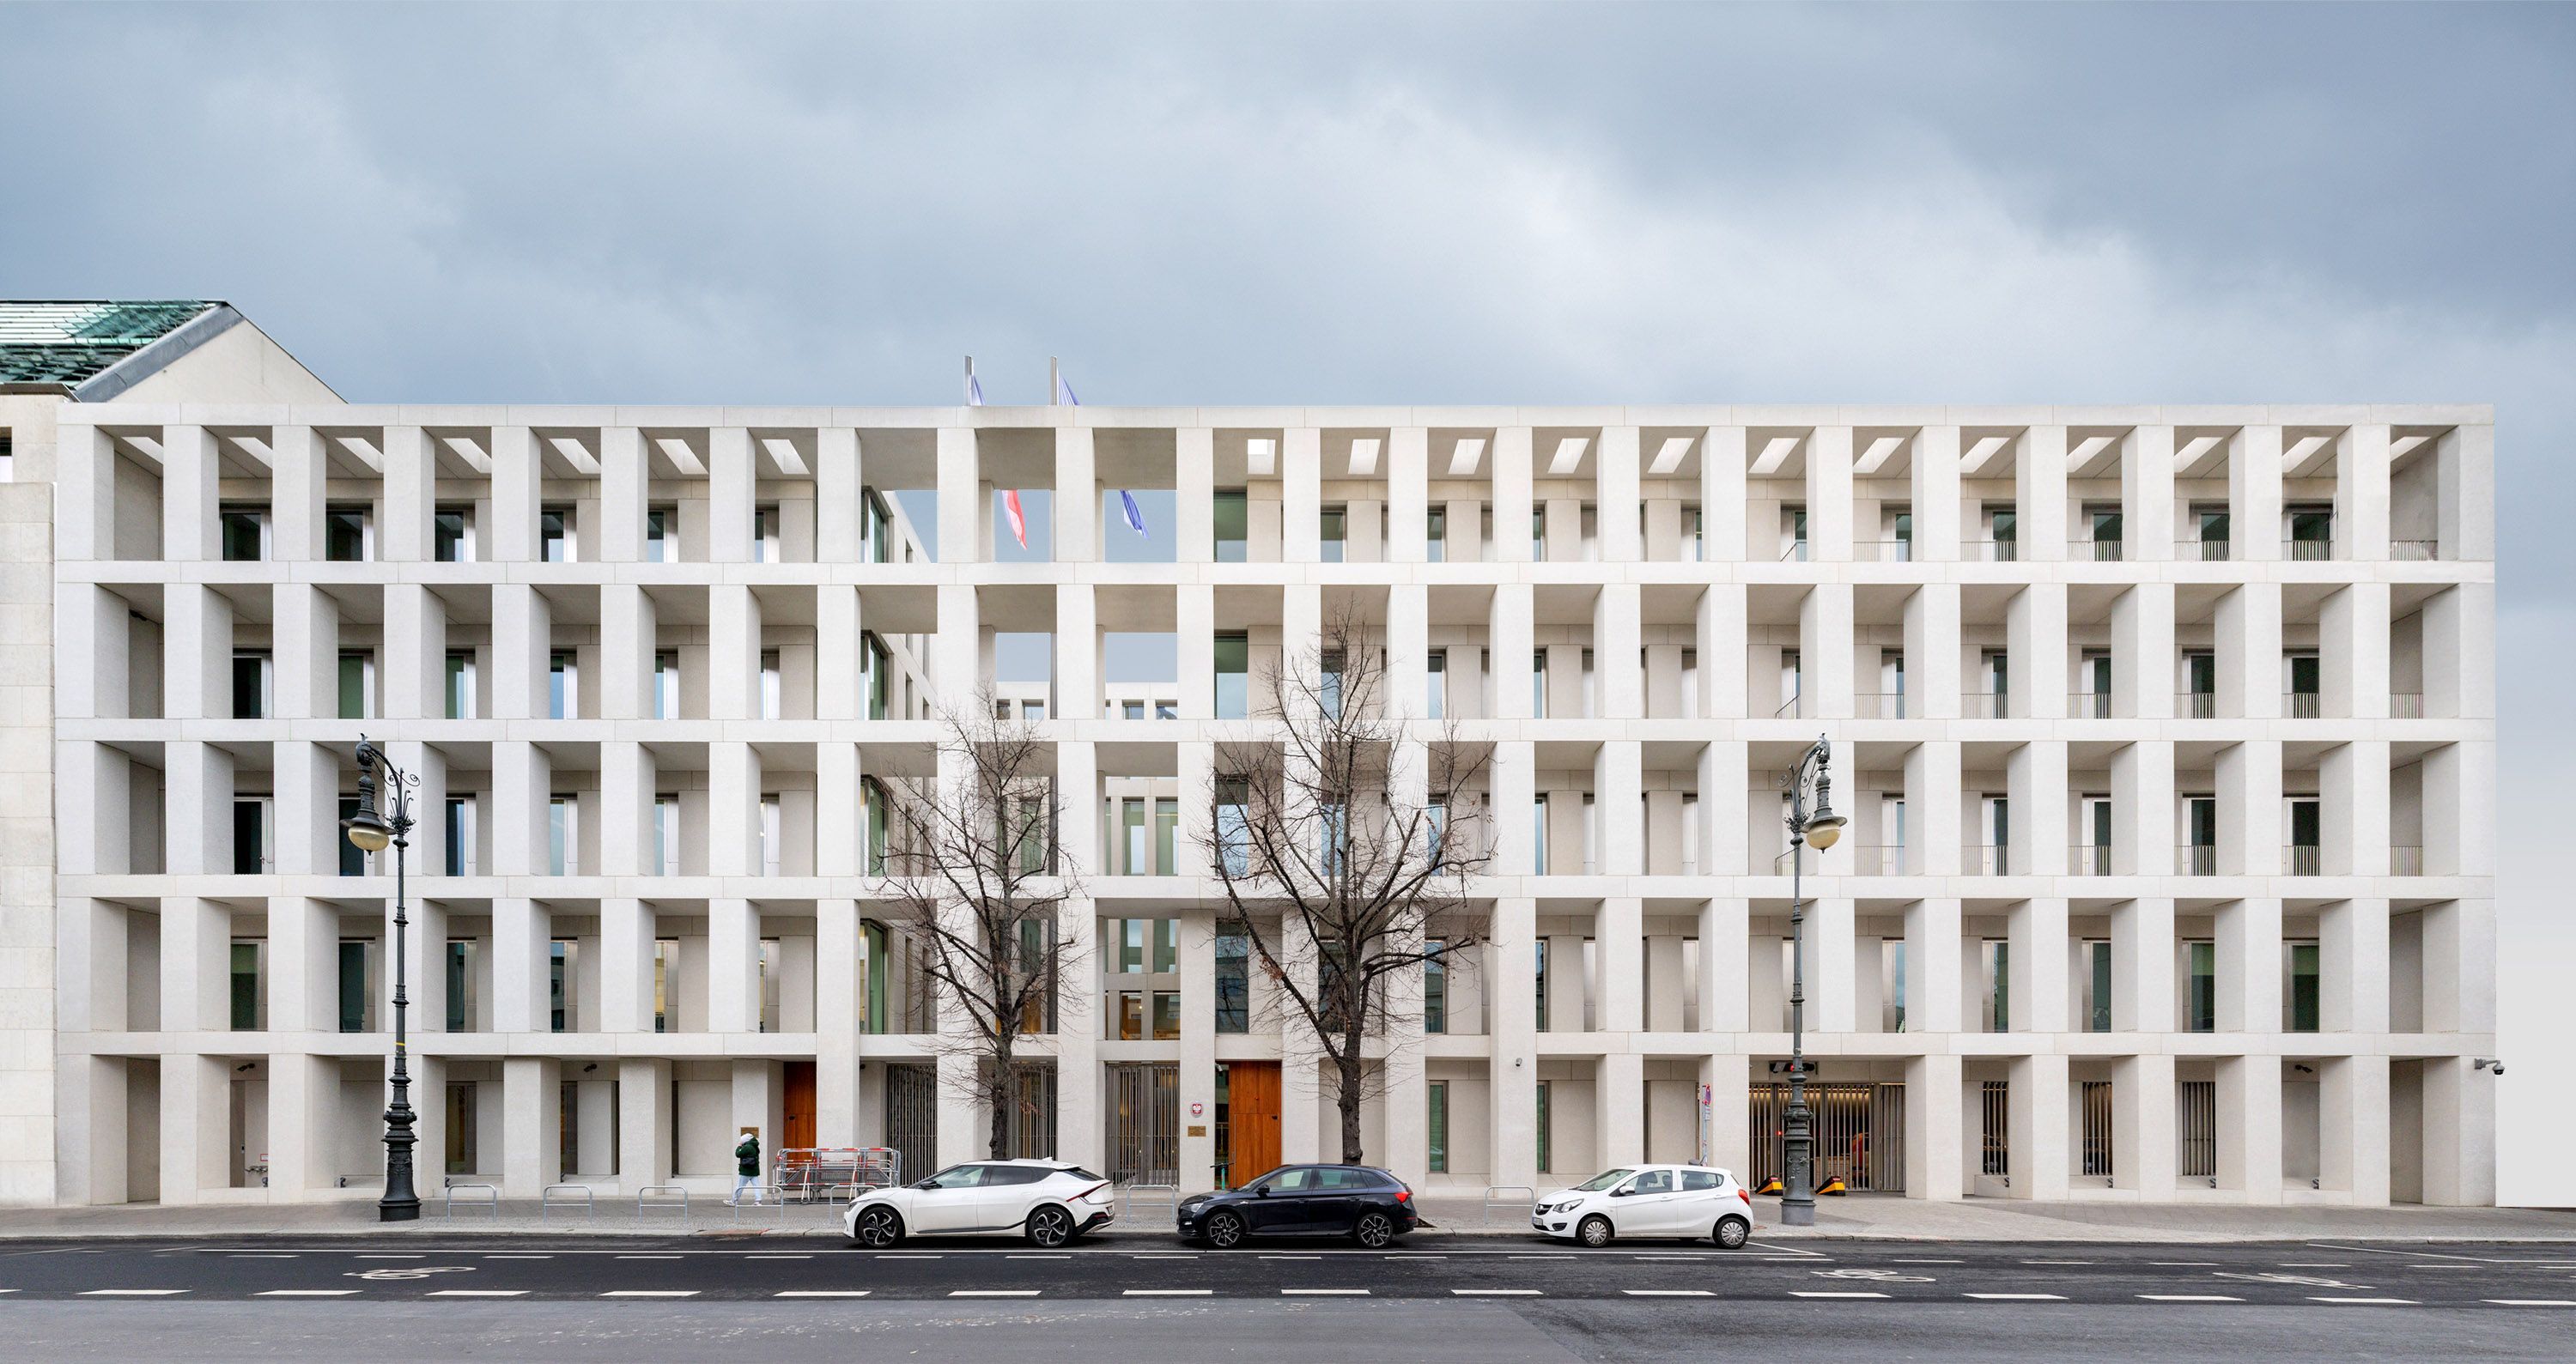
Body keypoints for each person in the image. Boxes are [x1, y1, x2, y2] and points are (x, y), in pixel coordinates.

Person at [728, 1129, 762, 1206]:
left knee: (740, 1186)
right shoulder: (755, 1146)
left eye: (741, 1140)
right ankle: (758, 1200)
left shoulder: (747, 1147)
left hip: (746, 1170)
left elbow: (738, 1154)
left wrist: (739, 1146)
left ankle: (734, 1201)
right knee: (756, 1186)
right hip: (754, 1170)